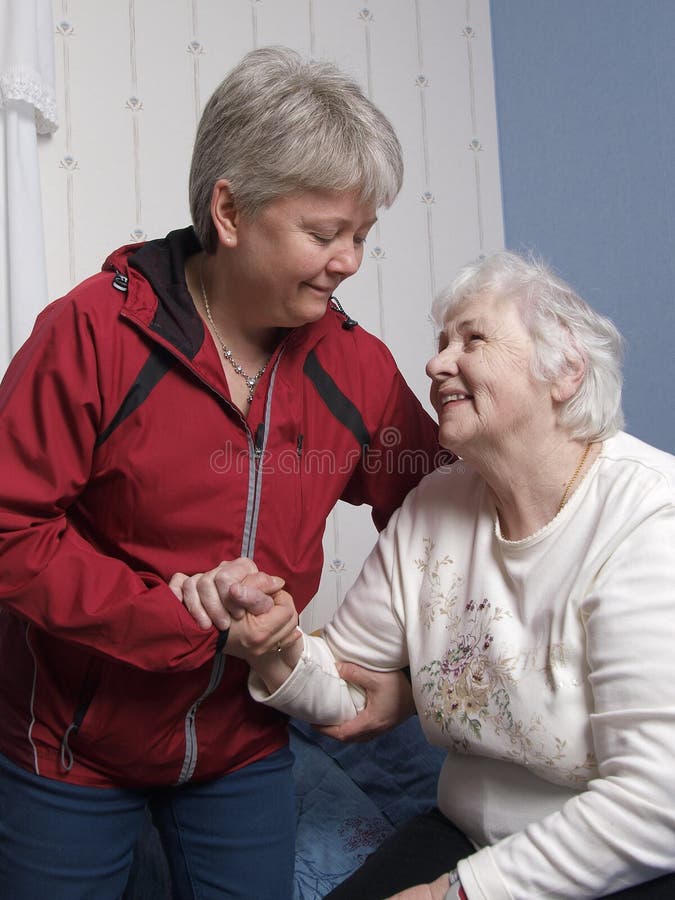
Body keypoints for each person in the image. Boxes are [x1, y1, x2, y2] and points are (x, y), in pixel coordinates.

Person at [0, 46, 442, 899]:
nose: (349, 259)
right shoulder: (89, 335)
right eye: (323, 233)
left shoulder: (356, 370)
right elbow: (11, 531)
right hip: (71, 745)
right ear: (230, 210)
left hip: (242, 741)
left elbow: (440, 513)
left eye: (362, 235)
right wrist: (171, 618)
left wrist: (407, 667)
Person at [226, 251, 675, 899]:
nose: (436, 363)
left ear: (566, 369)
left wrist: (456, 894)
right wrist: (278, 648)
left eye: (472, 339)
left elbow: (658, 800)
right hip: (469, 831)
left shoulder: (648, 518)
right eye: (439, 344)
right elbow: (350, 689)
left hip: (627, 855)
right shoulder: (436, 504)